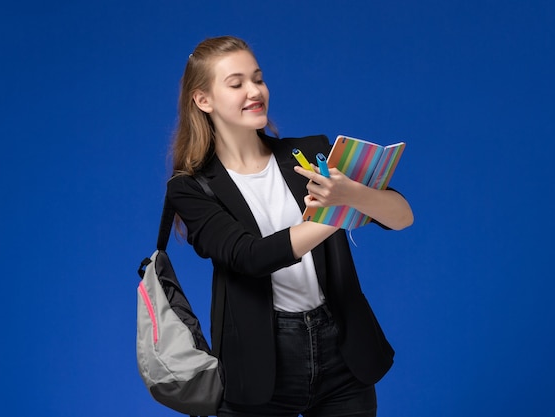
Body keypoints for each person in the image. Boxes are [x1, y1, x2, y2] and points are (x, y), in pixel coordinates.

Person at [166, 35, 413, 417]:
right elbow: (251, 256)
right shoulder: (190, 188)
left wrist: (352, 196)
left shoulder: (310, 153)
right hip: (260, 363)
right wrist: (341, 208)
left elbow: (401, 217)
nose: (254, 91)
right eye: (236, 84)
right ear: (203, 100)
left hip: (343, 352)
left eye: (258, 79)